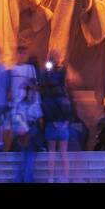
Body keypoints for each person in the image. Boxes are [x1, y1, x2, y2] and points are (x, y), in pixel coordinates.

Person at [39, 51, 72, 182]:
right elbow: (68, 110)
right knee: (63, 153)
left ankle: (51, 177)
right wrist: (66, 123)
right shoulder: (64, 96)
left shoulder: (49, 93)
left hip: (53, 124)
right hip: (63, 125)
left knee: (52, 152)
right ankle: (65, 177)